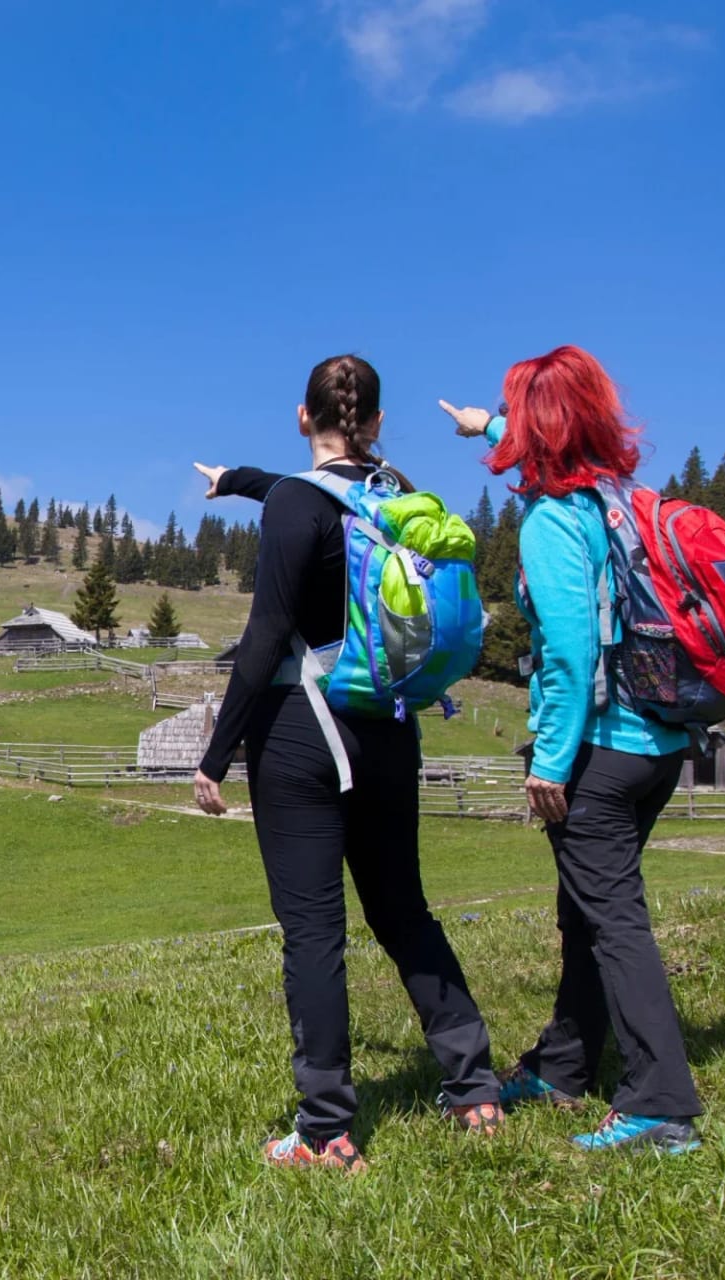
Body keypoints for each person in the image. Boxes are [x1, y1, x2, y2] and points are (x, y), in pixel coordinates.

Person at [193, 354, 500, 1174]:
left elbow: (264, 637)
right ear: (378, 422)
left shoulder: (298, 503)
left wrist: (215, 755)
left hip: (303, 732)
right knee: (405, 912)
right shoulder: (396, 496)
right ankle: (475, 1088)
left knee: (315, 933)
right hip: (389, 729)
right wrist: (237, 480)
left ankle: (326, 1129)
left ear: (305, 417)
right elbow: (301, 496)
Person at [440, 345, 702, 1154]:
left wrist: (550, 760)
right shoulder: (622, 497)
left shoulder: (555, 520)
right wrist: (486, 423)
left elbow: (568, 650)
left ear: (541, 428)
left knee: (613, 919)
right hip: (659, 742)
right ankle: (565, 1066)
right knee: (586, 911)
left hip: (600, 750)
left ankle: (661, 1104)